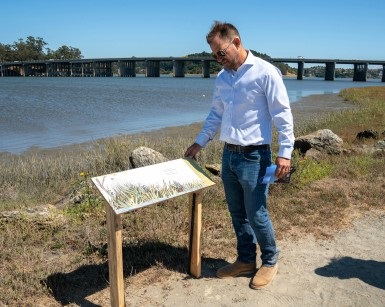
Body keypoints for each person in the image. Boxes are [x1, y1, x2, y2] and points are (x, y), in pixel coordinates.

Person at [184, 21, 295, 290]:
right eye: (213, 55)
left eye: (221, 52)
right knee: (236, 212)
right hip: (229, 155)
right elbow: (216, 115)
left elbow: (282, 114)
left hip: (255, 157)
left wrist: (285, 153)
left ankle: (270, 261)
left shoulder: (265, 72)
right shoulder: (222, 78)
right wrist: (199, 143)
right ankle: (245, 260)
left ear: (236, 42)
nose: (218, 59)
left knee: (256, 213)